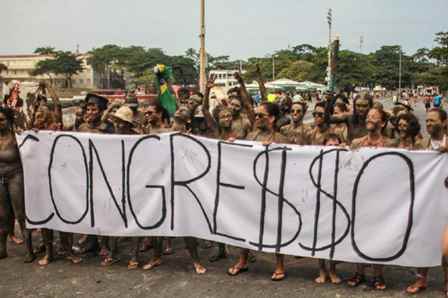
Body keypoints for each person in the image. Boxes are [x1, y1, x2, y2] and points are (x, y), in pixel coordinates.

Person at [228, 102, 289, 281]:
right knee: (246, 223)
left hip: (273, 189)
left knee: (276, 226)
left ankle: (279, 264)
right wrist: (233, 144)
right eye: (256, 114)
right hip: (252, 188)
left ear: (272, 118)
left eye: (261, 115)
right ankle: (243, 260)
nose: (257, 118)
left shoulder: (281, 138)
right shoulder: (251, 136)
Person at [348, 107, 395, 290]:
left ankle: (378, 274)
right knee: (358, 234)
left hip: (382, 197)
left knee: (379, 235)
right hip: (360, 196)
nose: (369, 118)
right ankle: (359, 272)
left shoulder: (390, 144)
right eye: (368, 116)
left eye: (374, 117)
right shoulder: (357, 142)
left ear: (382, 123)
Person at [406, 108, 448, 295]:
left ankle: (447, 281)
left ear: (444, 122)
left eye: (433, 121)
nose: (429, 124)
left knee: (446, 249)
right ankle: (421, 279)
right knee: (422, 241)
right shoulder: (422, 144)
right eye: (427, 121)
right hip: (427, 201)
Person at [0, 107, 35, 262]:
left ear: (8, 121)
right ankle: (2, 249)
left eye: (1, 119)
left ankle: (29, 250)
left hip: (16, 176)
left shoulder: (18, 137)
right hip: (0, 179)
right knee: (2, 215)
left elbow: (32, 147)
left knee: (20, 215)